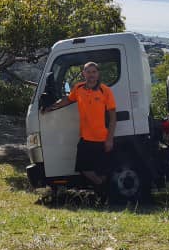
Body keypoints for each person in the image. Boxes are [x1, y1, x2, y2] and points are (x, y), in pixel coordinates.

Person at [41, 61, 116, 190]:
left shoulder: (105, 91)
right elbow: (68, 100)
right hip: (85, 138)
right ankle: (102, 186)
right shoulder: (78, 88)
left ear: (98, 74)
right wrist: (51, 107)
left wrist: (109, 139)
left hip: (102, 138)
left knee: (103, 171)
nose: (91, 75)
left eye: (94, 72)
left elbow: (113, 118)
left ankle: (103, 194)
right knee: (83, 168)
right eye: (88, 72)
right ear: (83, 74)